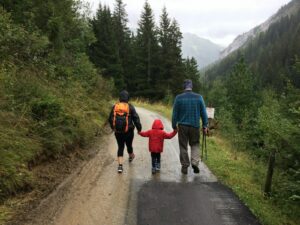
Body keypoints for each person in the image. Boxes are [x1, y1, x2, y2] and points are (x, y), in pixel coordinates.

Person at [172, 79, 208, 175]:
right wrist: (205, 125)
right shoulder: (199, 97)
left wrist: (174, 125)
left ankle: (185, 165)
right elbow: (204, 113)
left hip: (183, 126)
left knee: (183, 146)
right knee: (195, 144)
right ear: (191, 87)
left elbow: (175, 113)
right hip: (195, 126)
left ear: (184, 87)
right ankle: (195, 162)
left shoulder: (178, 98)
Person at [108, 90, 142, 173]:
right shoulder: (130, 107)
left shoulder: (115, 106)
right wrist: (139, 129)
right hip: (129, 131)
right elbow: (136, 118)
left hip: (118, 132)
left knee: (120, 147)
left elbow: (110, 119)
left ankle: (120, 166)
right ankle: (131, 156)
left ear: (119, 98)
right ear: (128, 98)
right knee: (129, 145)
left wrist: (114, 128)